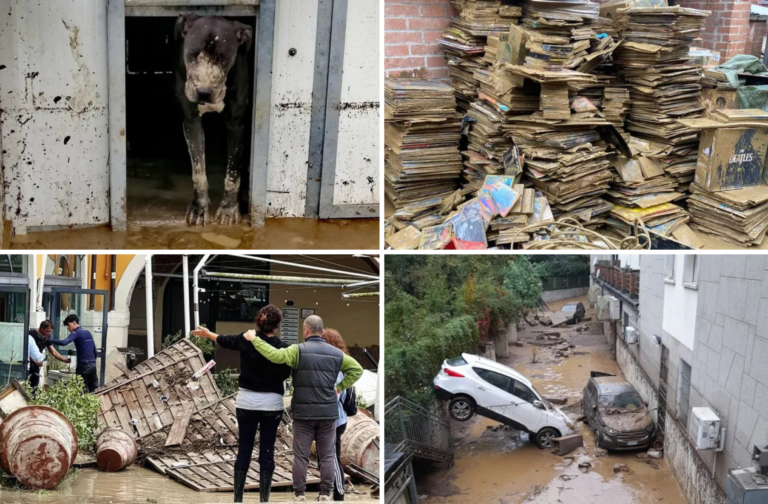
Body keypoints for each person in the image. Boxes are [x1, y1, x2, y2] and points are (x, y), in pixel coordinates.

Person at [244, 315, 363, 502]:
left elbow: (275, 355)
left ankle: (299, 495)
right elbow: (357, 369)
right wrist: (339, 387)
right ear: (322, 332)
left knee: (301, 456)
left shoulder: (297, 350)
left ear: (305, 331)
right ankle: (325, 494)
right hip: (328, 414)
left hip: (304, 414)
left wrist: (255, 340)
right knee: (327, 456)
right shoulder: (337, 354)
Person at [191, 304, 291, 503]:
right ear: (277, 325)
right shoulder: (283, 348)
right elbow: (286, 373)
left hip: (246, 403)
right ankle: (264, 499)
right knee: (267, 450)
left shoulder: (246, 339)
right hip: (272, 405)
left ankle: (238, 499)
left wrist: (208, 333)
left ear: (259, 321)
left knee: (244, 450)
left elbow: (224, 340)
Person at [321, 328, 358, 502]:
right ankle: (329, 492)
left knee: (332, 457)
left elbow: (336, 396)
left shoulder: (335, 367)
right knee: (327, 455)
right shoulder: (341, 363)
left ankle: (339, 493)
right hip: (336, 418)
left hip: (334, 419)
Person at [48, 314, 98, 392]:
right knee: (94, 389)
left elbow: (64, 342)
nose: (68, 328)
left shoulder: (76, 332)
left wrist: (48, 340)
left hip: (83, 365)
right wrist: (92, 362)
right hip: (93, 364)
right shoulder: (87, 332)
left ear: (74, 322)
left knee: (81, 389)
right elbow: (94, 351)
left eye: (68, 325)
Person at [28, 320, 70, 391]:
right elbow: (26, 351)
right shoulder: (31, 335)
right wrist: (34, 361)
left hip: (36, 365)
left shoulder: (46, 338)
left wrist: (64, 360)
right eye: (48, 331)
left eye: (50, 331)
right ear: (42, 328)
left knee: (34, 387)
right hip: (28, 364)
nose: (49, 333)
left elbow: (54, 352)